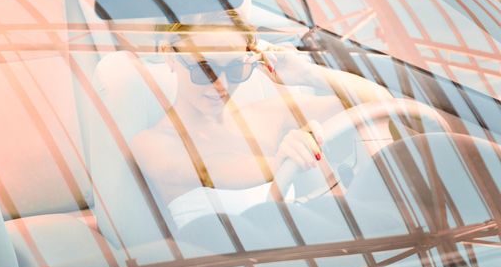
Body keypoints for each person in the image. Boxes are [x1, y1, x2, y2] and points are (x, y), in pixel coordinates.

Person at [130, 26, 389, 228]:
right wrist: (281, 162)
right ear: (168, 55)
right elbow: (208, 169)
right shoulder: (151, 144)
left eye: (234, 69)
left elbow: (381, 104)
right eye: (204, 68)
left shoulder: (267, 115)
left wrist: (307, 74)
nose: (221, 85)